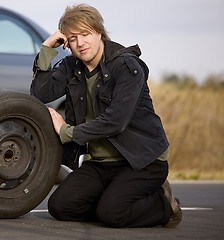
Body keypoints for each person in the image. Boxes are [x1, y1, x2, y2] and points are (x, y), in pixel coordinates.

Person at [30, 4, 182, 228]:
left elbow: (115, 121)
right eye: (72, 38)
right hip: (102, 164)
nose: (80, 43)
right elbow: (41, 93)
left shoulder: (127, 66)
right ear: (66, 43)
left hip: (141, 162)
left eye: (85, 34)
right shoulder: (73, 66)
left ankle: (165, 206)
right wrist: (46, 49)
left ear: (99, 32)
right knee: (61, 207)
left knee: (113, 214)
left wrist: (68, 132)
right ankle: (110, 202)